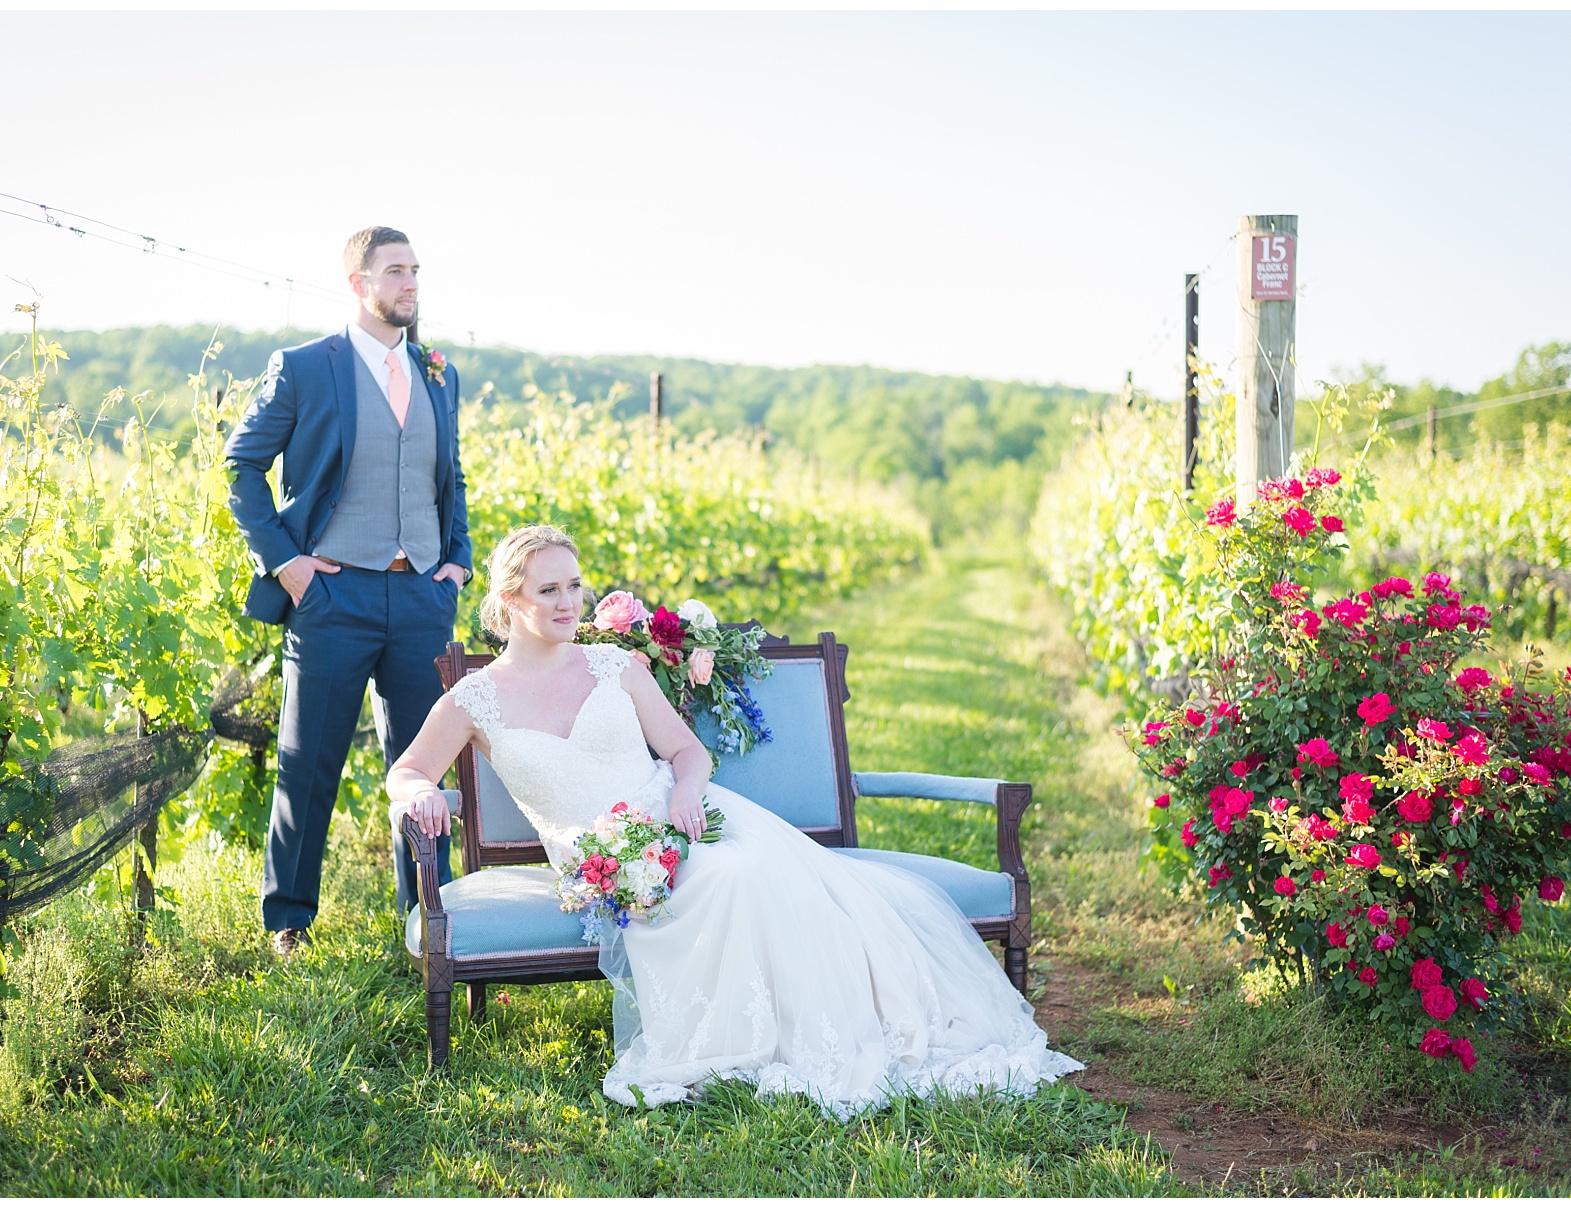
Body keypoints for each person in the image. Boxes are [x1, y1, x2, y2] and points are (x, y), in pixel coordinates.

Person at [386, 525, 1082, 1116]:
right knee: (716, 881)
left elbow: (686, 752)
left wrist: (687, 793)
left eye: (575, 585)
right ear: (510, 601)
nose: (570, 602)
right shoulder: (474, 699)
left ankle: (802, 1033)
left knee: (737, 867)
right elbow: (408, 769)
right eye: (549, 590)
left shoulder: (615, 666)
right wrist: (416, 792)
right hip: (604, 859)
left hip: (687, 817)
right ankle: (732, 1042)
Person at [225, 225, 471, 957]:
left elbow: (449, 476)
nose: (411, 285)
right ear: (358, 283)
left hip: (421, 596)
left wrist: (455, 561)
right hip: (332, 597)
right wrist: (288, 564)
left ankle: (425, 915)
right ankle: (289, 922)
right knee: (310, 764)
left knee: (423, 769)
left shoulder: (437, 373)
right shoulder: (304, 368)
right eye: (396, 272)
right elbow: (241, 469)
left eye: (416, 272)